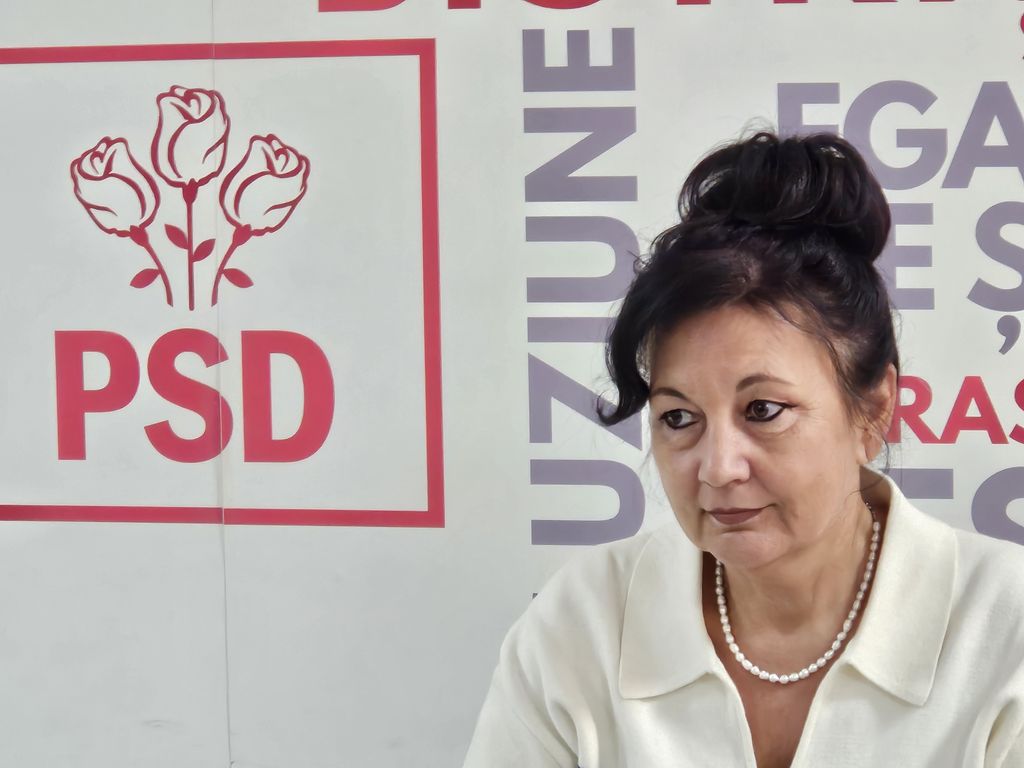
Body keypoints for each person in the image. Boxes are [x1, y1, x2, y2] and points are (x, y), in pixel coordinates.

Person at [462, 131, 1024, 768]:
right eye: (679, 418)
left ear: (872, 411)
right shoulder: (583, 623)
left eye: (763, 411)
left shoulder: (1004, 626)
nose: (719, 467)